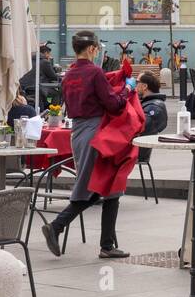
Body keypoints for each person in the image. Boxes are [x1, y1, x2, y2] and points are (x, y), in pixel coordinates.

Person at [41, 30, 138, 260]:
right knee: (96, 186)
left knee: (107, 186)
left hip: (79, 131)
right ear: (93, 49)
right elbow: (113, 104)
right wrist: (127, 89)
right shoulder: (94, 72)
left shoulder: (69, 74)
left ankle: (106, 243)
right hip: (97, 133)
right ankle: (57, 226)